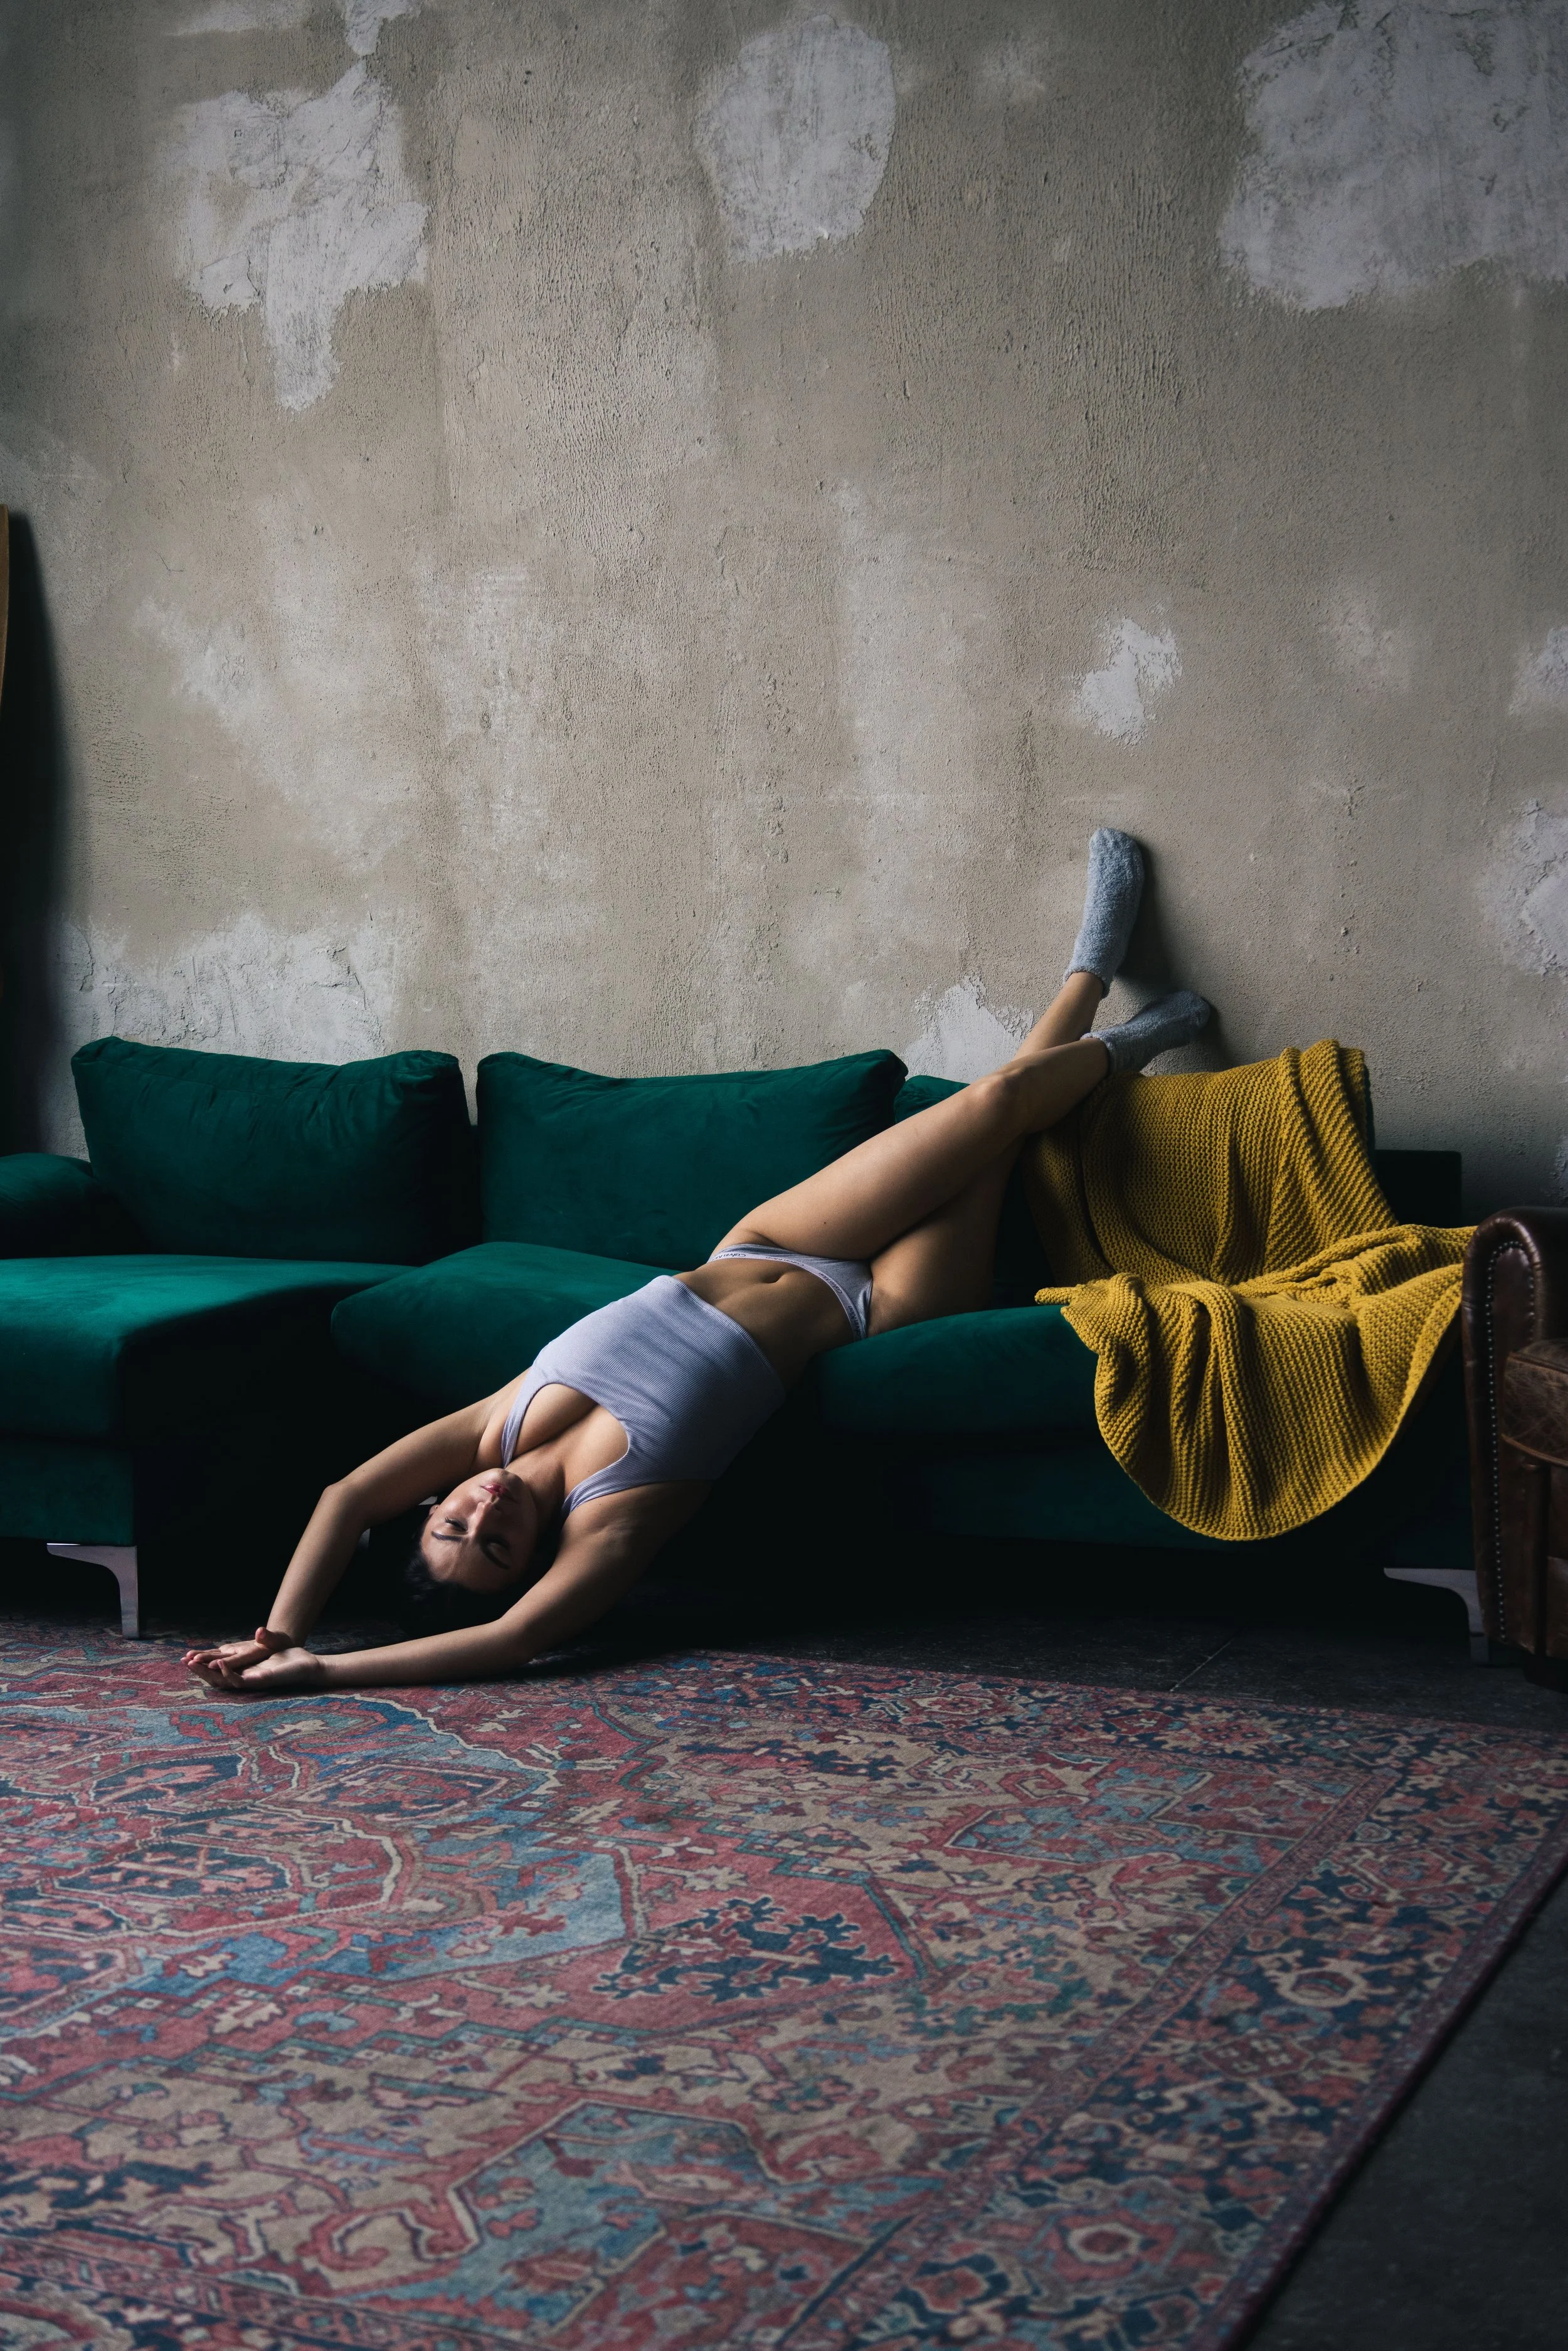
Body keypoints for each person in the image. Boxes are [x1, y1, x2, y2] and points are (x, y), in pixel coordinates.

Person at [183, 831, 1209, 1696]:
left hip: (768, 1244)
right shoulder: (613, 1522)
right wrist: (325, 1673)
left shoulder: (493, 1428)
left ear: (432, 1506)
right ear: (530, 1561)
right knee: (1001, 1147)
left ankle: (1106, 996)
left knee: (981, 1110)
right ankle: (1116, 1016)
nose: (485, 1510)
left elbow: (341, 1499)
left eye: (456, 1520)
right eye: (495, 1545)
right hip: (880, 1308)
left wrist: (276, 1632)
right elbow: (511, 1642)